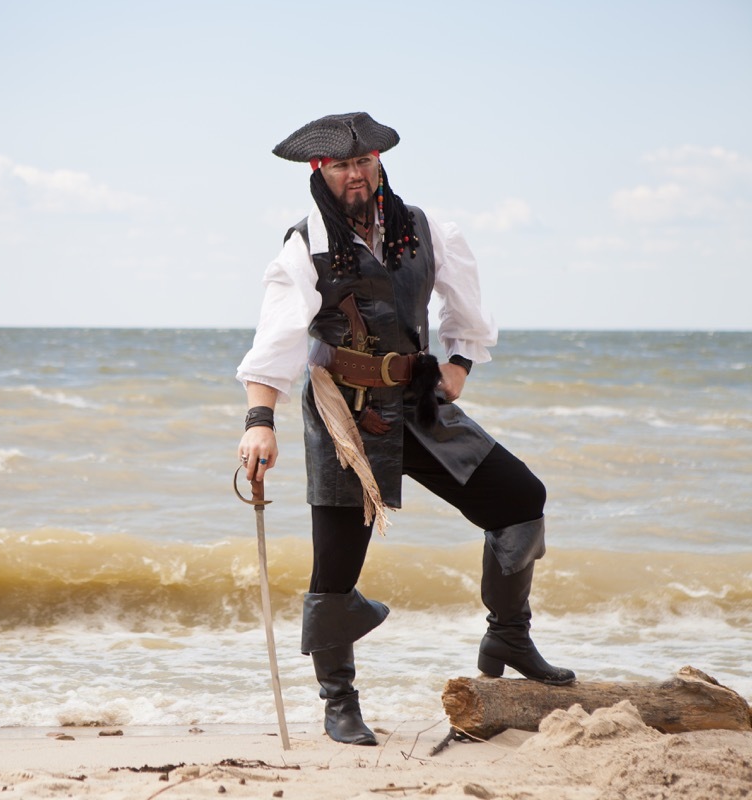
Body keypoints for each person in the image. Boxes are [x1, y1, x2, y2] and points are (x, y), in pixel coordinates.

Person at [236, 112, 575, 747]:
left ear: (378, 162)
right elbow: (278, 338)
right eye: (340, 165)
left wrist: (460, 364)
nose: (354, 174)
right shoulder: (304, 242)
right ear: (320, 171)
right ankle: (339, 703)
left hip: (417, 402)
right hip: (346, 415)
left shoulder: (422, 227)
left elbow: (464, 304)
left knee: (520, 499)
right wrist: (260, 421)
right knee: (335, 571)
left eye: (362, 161)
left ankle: (508, 635)